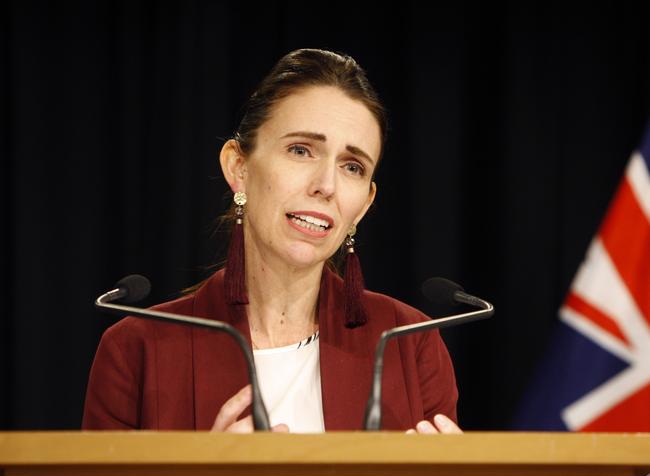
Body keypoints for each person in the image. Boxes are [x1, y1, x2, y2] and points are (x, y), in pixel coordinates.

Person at [83, 48, 461, 434]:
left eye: (352, 167)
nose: (326, 186)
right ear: (239, 167)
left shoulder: (410, 345)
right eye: (301, 150)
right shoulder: (136, 351)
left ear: (363, 204)